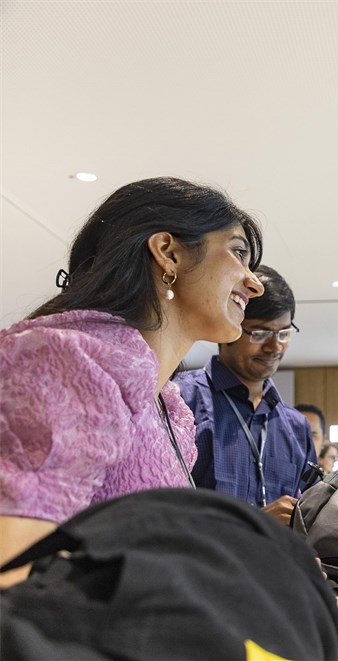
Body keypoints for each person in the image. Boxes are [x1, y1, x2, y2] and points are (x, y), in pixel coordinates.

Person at [0, 177, 265, 586]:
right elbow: (14, 574)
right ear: (168, 253)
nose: (254, 283)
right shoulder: (68, 361)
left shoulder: (167, 404)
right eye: (237, 252)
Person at [175, 265, 316, 525]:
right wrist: (252, 525)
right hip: (201, 563)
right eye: (260, 333)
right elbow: (157, 509)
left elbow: (312, 514)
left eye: (284, 333)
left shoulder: (296, 427)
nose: (275, 346)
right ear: (228, 328)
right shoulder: (180, 401)